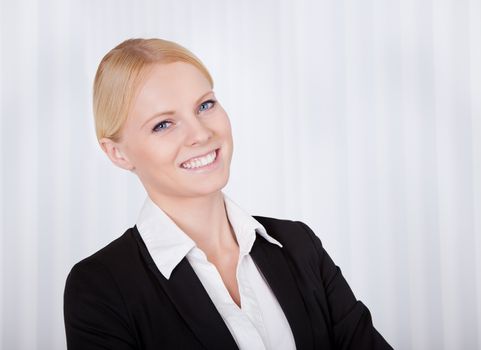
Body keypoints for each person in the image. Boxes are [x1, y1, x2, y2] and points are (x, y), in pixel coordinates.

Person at [63, 38, 393, 350]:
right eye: (163, 124)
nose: (201, 133)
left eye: (205, 105)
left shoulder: (298, 244)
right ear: (118, 153)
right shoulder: (101, 287)